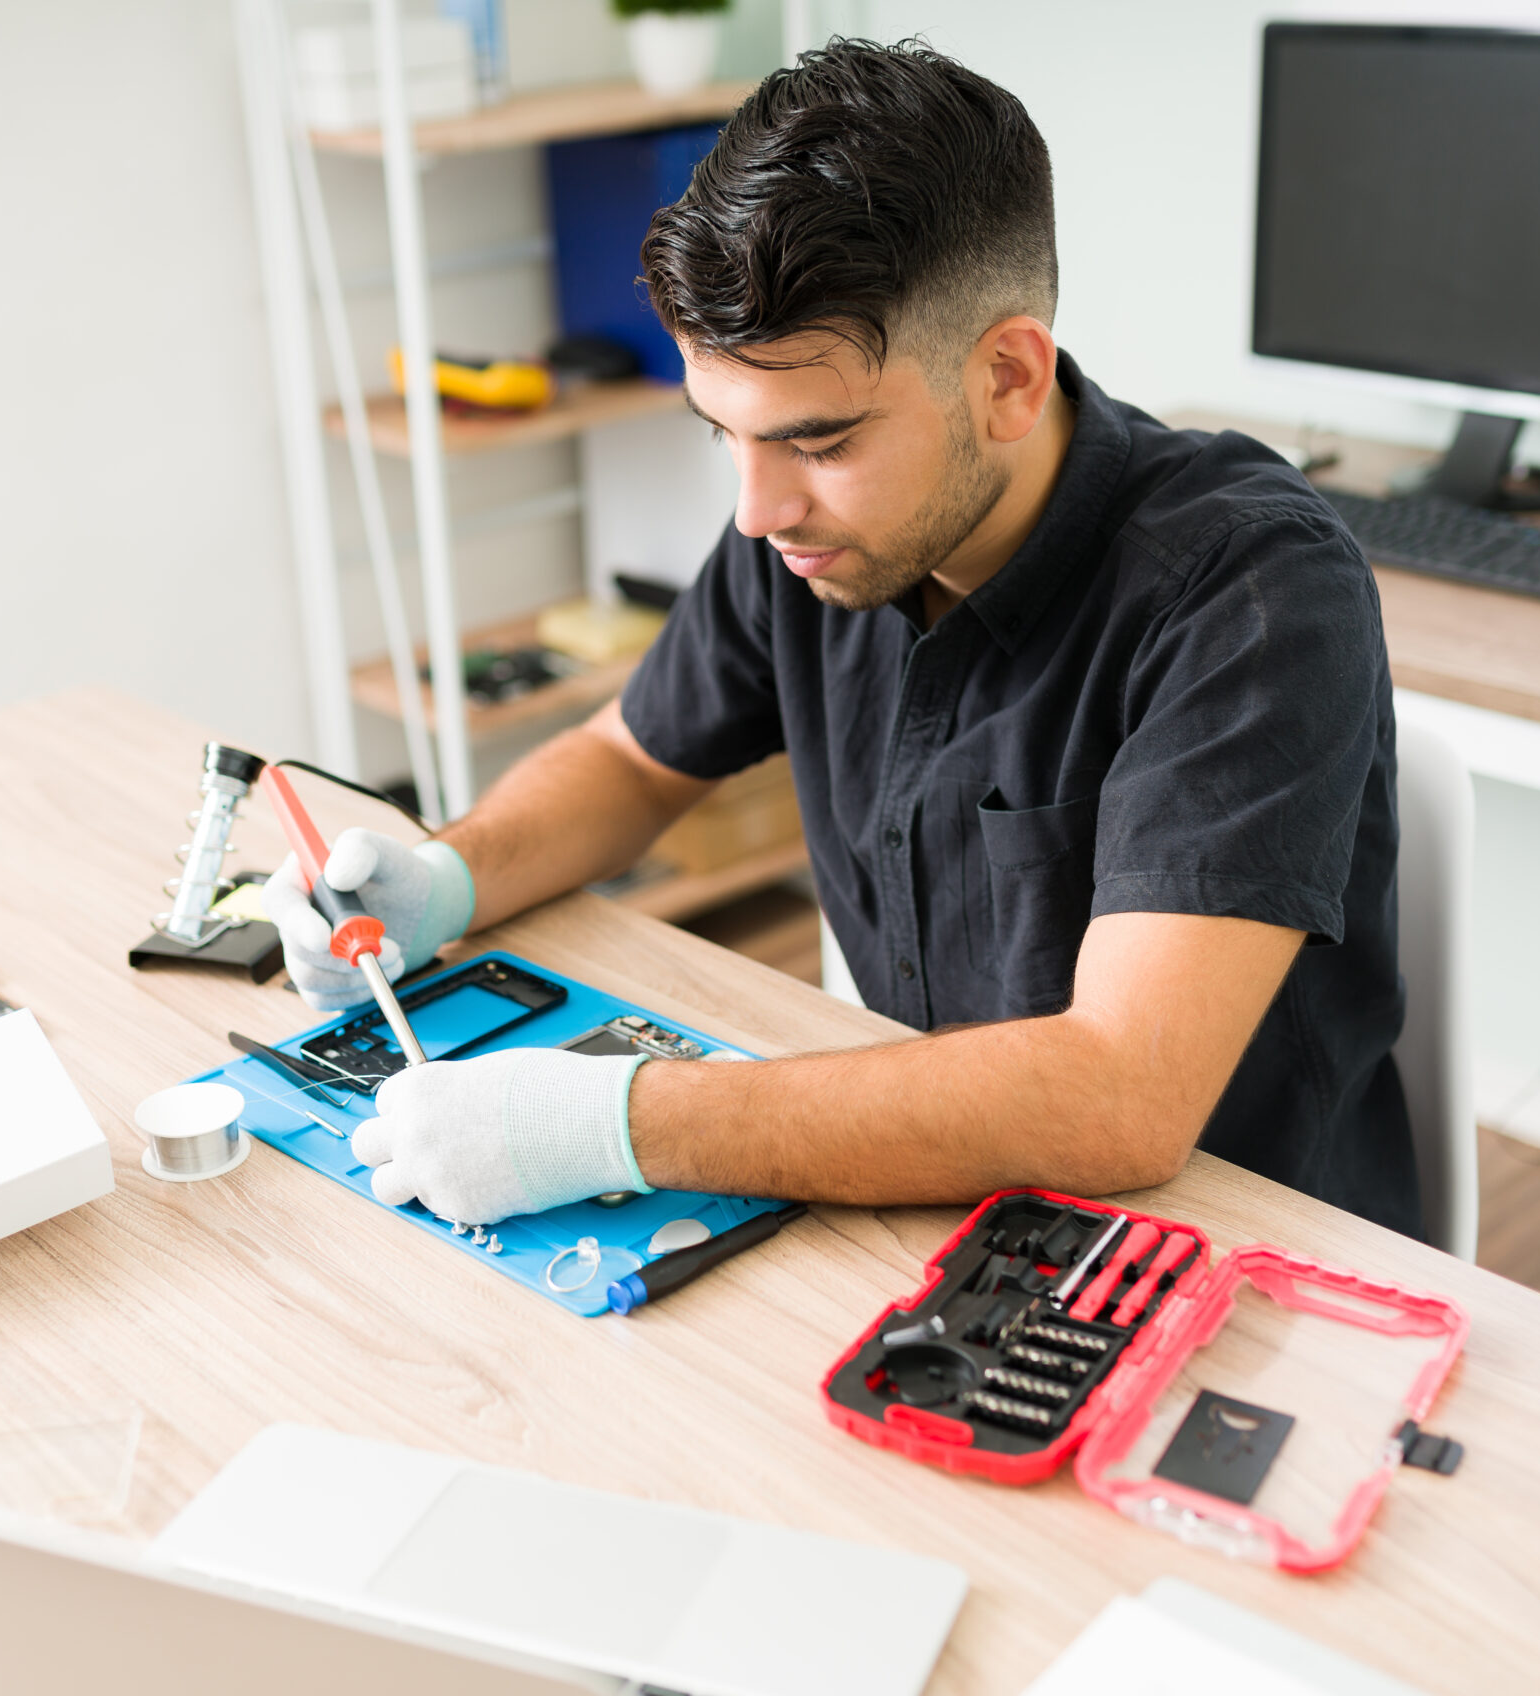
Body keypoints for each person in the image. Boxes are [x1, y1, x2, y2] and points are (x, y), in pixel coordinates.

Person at [267, 39, 1417, 1237]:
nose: (757, 511)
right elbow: (626, 759)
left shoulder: (1247, 589)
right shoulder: (808, 537)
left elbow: (1118, 1095)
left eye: (817, 443)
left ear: (1008, 380)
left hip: (1245, 1253)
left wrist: (621, 1124)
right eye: (725, 433)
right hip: (927, 1201)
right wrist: (447, 878)